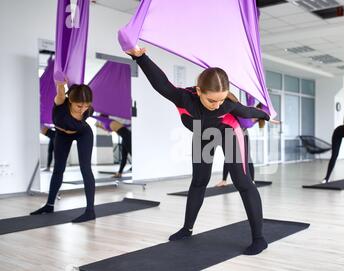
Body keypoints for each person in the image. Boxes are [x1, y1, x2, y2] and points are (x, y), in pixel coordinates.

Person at [126, 46, 279, 255]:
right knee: (199, 181)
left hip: (229, 131)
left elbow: (247, 111)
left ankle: (259, 239)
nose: (217, 105)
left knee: (243, 182)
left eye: (222, 99)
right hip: (203, 132)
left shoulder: (227, 106)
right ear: (199, 91)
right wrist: (141, 57)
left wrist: (267, 116)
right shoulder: (184, 98)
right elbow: (160, 84)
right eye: (212, 100)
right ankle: (187, 228)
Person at [30, 81, 96, 223]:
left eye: (86, 105)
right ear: (70, 100)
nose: (83, 109)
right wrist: (60, 83)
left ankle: (90, 211)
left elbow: (84, 111)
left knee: (86, 168)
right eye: (79, 106)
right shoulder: (61, 102)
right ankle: (49, 205)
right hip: (61, 135)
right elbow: (60, 90)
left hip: (83, 133)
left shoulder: (88, 110)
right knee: (58, 169)